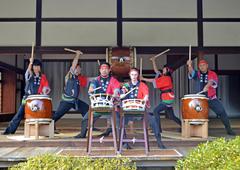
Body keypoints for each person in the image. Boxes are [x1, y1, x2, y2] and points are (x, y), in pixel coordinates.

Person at [187, 59, 235, 135]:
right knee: (195, 115)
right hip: (200, 100)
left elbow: (211, 81)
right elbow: (191, 72)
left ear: (207, 66)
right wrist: (189, 66)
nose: (202, 67)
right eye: (200, 66)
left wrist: (207, 86)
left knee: (222, 112)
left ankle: (229, 130)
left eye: (203, 65)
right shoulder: (197, 74)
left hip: (211, 98)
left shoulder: (212, 73)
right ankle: (195, 132)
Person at [2, 58, 50, 135]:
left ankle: (43, 131)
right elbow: (27, 72)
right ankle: (9, 130)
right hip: (27, 98)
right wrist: (30, 63)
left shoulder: (43, 77)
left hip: (37, 99)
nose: (36, 68)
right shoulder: (30, 75)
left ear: (40, 67)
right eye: (35, 66)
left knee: (41, 115)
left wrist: (45, 90)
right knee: (19, 114)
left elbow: (47, 88)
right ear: (32, 67)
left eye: (38, 66)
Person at [121, 68, 165, 149]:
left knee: (153, 120)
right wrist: (121, 95)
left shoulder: (142, 85)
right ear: (129, 75)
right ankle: (125, 143)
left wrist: (144, 100)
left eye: (135, 75)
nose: (134, 76)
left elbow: (146, 95)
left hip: (140, 110)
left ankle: (159, 141)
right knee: (119, 122)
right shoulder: (126, 85)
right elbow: (122, 94)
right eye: (132, 75)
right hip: (128, 111)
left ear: (137, 75)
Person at [74, 62, 120, 138]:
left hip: (110, 106)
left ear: (109, 70)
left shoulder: (113, 80)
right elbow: (92, 87)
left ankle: (121, 140)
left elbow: (116, 89)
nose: (104, 70)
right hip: (98, 105)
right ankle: (82, 134)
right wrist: (91, 90)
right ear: (100, 70)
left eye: (106, 69)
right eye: (102, 69)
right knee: (86, 119)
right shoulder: (96, 80)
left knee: (118, 120)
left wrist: (115, 93)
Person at [141, 57, 181, 134]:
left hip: (167, 98)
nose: (163, 70)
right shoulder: (163, 76)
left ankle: (158, 129)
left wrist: (143, 78)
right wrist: (153, 61)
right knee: (171, 116)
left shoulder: (167, 78)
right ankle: (183, 126)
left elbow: (154, 80)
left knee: (155, 111)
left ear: (168, 71)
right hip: (167, 97)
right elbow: (157, 71)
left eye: (164, 69)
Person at [52, 50, 89, 130]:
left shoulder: (78, 78)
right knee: (57, 115)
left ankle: (87, 126)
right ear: (73, 69)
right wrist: (77, 55)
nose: (79, 70)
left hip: (75, 101)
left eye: (80, 69)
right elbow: (74, 64)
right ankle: (47, 127)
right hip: (67, 101)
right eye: (78, 68)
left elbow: (89, 80)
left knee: (87, 109)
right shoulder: (70, 75)